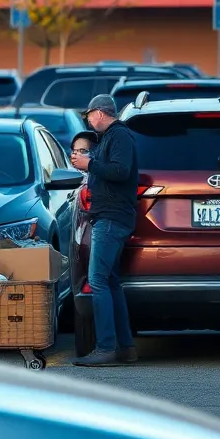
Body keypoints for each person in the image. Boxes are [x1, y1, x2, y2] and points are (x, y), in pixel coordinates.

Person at [69, 94, 139, 367]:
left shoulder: (119, 136)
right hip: (109, 217)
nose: (88, 119)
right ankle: (125, 347)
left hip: (112, 218)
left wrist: (90, 165)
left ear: (100, 113)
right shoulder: (112, 138)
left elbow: (121, 171)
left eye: (89, 115)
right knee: (110, 282)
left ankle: (105, 348)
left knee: (97, 280)